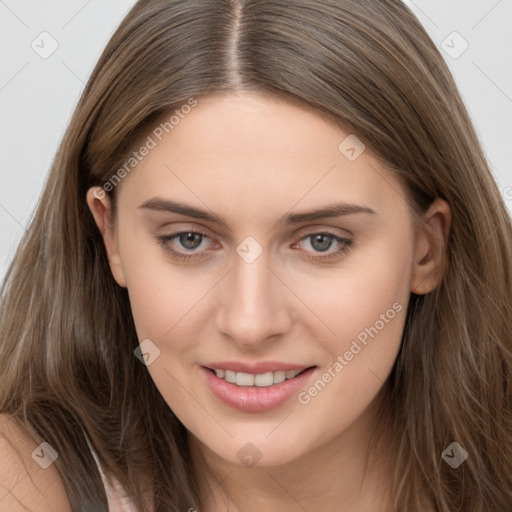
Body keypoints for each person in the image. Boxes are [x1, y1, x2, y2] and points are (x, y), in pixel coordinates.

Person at [1, 0, 511, 511]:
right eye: (189, 239)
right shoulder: (25, 482)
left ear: (428, 249)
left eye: (321, 241)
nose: (250, 323)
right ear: (111, 238)